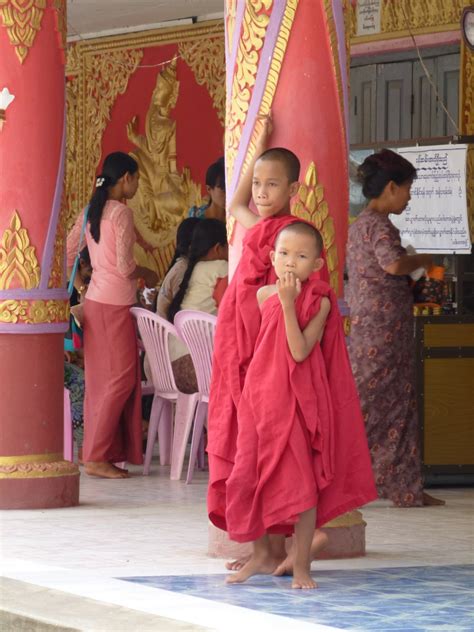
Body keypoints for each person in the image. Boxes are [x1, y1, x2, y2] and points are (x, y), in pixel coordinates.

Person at [207, 115, 377, 585]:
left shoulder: (293, 236)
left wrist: (291, 293)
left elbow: (309, 301)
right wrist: (256, 147)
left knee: (282, 457)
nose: (261, 194)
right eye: (258, 184)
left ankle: (290, 550)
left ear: (293, 190)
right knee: (248, 453)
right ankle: (263, 551)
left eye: (272, 185)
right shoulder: (262, 229)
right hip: (241, 353)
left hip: (275, 358)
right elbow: (236, 201)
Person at [346, 148, 444, 507]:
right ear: (390, 187)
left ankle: (404, 486)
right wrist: (423, 259)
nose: (409, 197)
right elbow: (392, 265)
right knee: (377, 408)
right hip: (381, 334)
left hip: (373, 330)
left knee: (397, 408)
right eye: (407, 189)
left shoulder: (360, 226)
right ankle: (357, 480)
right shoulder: (380, 225)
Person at [67, 151, 158, 479]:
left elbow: (67, 250)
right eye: (136, 180)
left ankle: (96, 451)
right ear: (126, 179)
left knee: (101, 380)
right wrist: (147, 269)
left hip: (94, 303)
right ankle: (95, 456)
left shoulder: (92, 209)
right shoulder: (120, 212)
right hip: (116, 303)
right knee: (120, 378)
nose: (136, 186)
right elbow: (125, 266)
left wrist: (81, 284)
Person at [165, 218, 228, 393]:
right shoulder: (222, 267)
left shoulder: (193, 269)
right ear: (218, 248)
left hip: (171, 367)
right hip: (196, 368)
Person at [188, 157, 226, 222]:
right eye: (223, 190)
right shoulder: (196, 217)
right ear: (209, 189)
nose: (228, 195)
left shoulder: (236, 217)